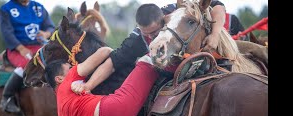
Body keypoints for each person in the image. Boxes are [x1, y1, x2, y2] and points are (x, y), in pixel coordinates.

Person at [75, 1, 226, 94]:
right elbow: (112, 63)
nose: (153, 38)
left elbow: (217, 5)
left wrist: (215, 34)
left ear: (164, 20)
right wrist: (88, 86)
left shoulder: (175, 13)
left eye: (155, 32)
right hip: (169, 75)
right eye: (147, 34)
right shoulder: (136, 40)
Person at [0, 0, 55, 113]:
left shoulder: (39, 7)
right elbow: (7, 32)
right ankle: (7, 98)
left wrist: (46, 34)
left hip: (39, 47)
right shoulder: (6, 9)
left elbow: (50, 27)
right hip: (18, 49)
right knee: (29, 63)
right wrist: (21, 48)